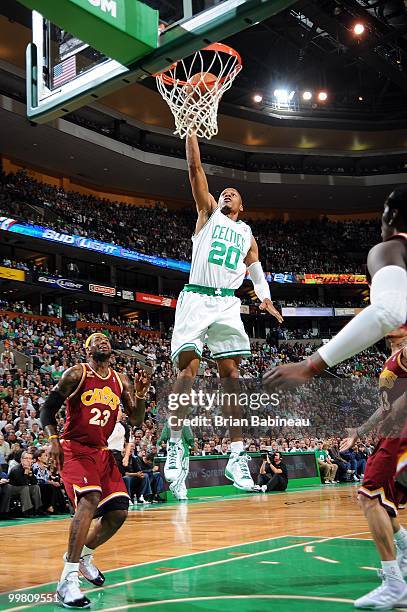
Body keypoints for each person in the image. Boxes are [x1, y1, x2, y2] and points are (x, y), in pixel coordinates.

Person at [264, 186, 407, 609]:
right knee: (384, 496)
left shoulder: (388, 250)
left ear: (394, 214)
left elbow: (387, 314)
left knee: (369, 496)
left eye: (384, 210)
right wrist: (364, 428)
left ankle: (394, 581)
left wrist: (311, 365)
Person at [165, 131, 283, 493]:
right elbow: (194, 167)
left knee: (231, 376)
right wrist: (189, 130)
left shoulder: (247, 233)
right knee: (188, 368)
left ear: (243, 206)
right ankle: (173, 444)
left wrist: (264, 297)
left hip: (228, 302)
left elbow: (256, 269)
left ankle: (236, 455)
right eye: (223, 191)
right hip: (197, 297)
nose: (226, 193)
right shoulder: (207, 214)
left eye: (234, 192)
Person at [40, 332, 150, 609]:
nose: (103, 341)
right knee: (88, 501)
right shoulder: (77, 373)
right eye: (96, 339)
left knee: (118, 512)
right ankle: (67, 581)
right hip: (75, 448)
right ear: (87, 350)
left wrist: (140, 394)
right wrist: (53, 441)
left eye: (106, 339)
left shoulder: (120, 380)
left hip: (102, 452)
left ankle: (85, 556)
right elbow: (47, 411)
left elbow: (136, 419)